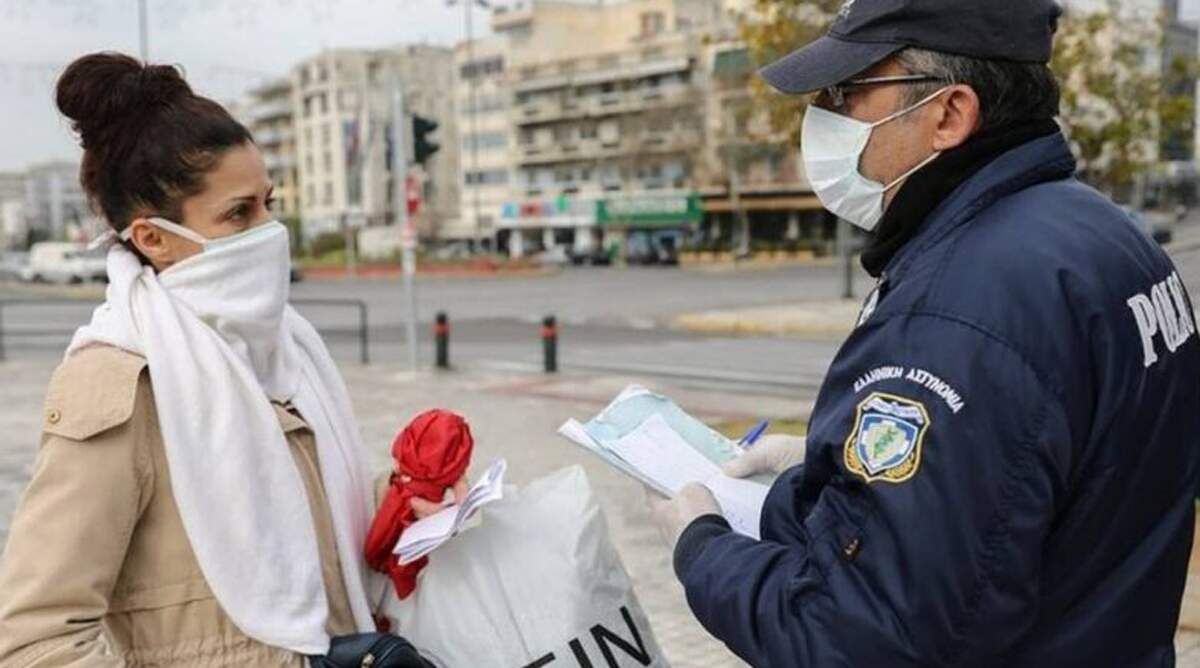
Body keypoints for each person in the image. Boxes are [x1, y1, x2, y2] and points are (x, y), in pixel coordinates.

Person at [650, 1, 1200, 665]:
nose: (822, 115)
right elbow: (1034, 477)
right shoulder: (1106, 236)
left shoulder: (959, 306)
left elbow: (862, 639)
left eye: (848, 92)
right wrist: (838, 462)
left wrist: (704, 548)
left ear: (949, 113)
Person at [0, 52, 456, 667]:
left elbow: (288, 527)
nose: (270, 230)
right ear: (152, 238)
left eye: (268, 203)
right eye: (239, 213)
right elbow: (36, 639)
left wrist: (397, 504)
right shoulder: (119, 384)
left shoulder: (284, 348)